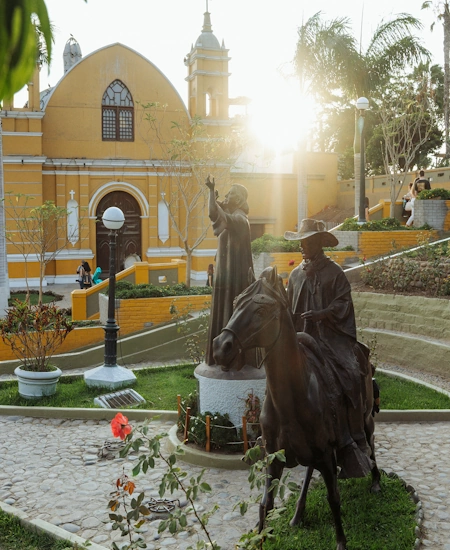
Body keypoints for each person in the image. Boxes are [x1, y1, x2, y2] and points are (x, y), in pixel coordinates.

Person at [285, 219, 372, 475]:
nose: (302, 246)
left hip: (331, 337)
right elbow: (290, 311)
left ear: (320, 243)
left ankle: (355, 437)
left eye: (308, 241)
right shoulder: (295, 274)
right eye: (301, 241)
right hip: (302, 337)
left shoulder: (335, 273)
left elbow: (344, 304)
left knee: (351, 374)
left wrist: (322, 314)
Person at [204, 175, 256, 369]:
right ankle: (218, 355)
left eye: (231, 193)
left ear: (240, 199)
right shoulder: (230, 216)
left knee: (230, 312)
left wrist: (213, 194)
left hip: (236, 279)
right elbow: (212, 212)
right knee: (221, 309)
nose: (227, 195)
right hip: (224, 276)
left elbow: (221, 216)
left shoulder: (240, 220)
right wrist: (210, 191)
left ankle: (232, 358)